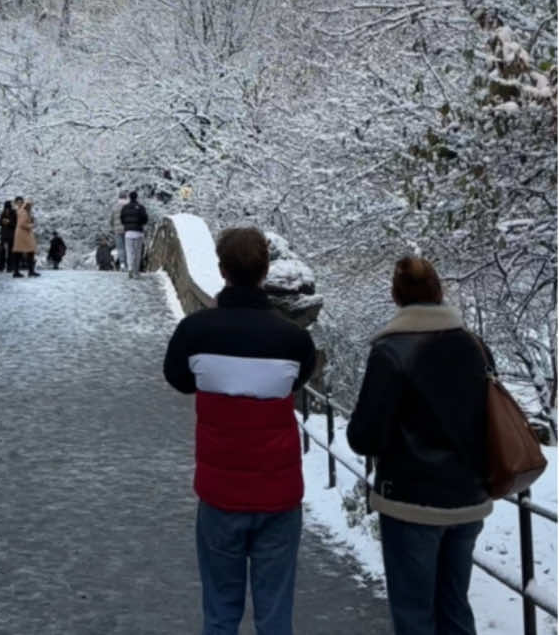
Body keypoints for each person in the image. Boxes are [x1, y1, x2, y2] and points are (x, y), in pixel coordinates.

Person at [163, 225, 316, 635]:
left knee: (220, 613)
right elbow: (297, 381)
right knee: (275, 617)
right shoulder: (293, 340)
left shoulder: (195, 333)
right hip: (279, 494)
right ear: (266, 271)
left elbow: (178, 379)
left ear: (221, 269)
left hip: (219, 493)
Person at [346, 255, 491, 635]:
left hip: (411, 501)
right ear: (438, 291)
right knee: (455, 607)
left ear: (396, 296)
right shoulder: (474, 346)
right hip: (467, 497)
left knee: (414, 614)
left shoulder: (391, 351)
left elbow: (364, 436)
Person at [119, 190, 148, 278]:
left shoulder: (125, 208)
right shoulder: (141, 207)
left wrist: (127, 226)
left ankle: (130, 268)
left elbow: (122, 219)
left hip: (128, 233)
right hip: (138, 232)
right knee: (137, 252)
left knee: (129, 251)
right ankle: (136, 271)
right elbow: (145, 219)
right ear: (137, 197)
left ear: (129, 198)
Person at [12, 198, 39, 278]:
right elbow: (22, 224)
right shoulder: (24, 212)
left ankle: (16, 271)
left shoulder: (21, 211)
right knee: (30, 252)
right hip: (24, 234)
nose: (31, 207)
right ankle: (30, 271)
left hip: (21, 235)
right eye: (30, 205)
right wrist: (32, 225)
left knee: (18, 253)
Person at [0, 200, 17, 272]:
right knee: (2, 251)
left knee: (10, 252)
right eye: (6, 207)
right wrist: (1, 221)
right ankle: (1, 266)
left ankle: (9, 267)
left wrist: (9, 222)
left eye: (8, 207)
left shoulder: (14, 213)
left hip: (11, 235)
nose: (7, 209)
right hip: (3, 234)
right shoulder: (3, 213)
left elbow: (16, 224)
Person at [112, 190, 129, 272]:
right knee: (127, 247)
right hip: (127, 229)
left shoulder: (115, 207)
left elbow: (111, 220)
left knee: (120, 248)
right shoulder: (129, 206)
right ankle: (128, 264)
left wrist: (114, 226)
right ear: (126, 197)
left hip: (117, 230)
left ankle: (122, 264)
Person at [8, 196, 25, 273]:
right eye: (18, 202)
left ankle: (17, 269)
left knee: (20, 252)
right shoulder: (13, 212)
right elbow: (11, 222)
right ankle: (15, 270)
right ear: (15, 203)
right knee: (14, 252)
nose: (19, 203)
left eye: (21, 202)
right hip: (14, 234)